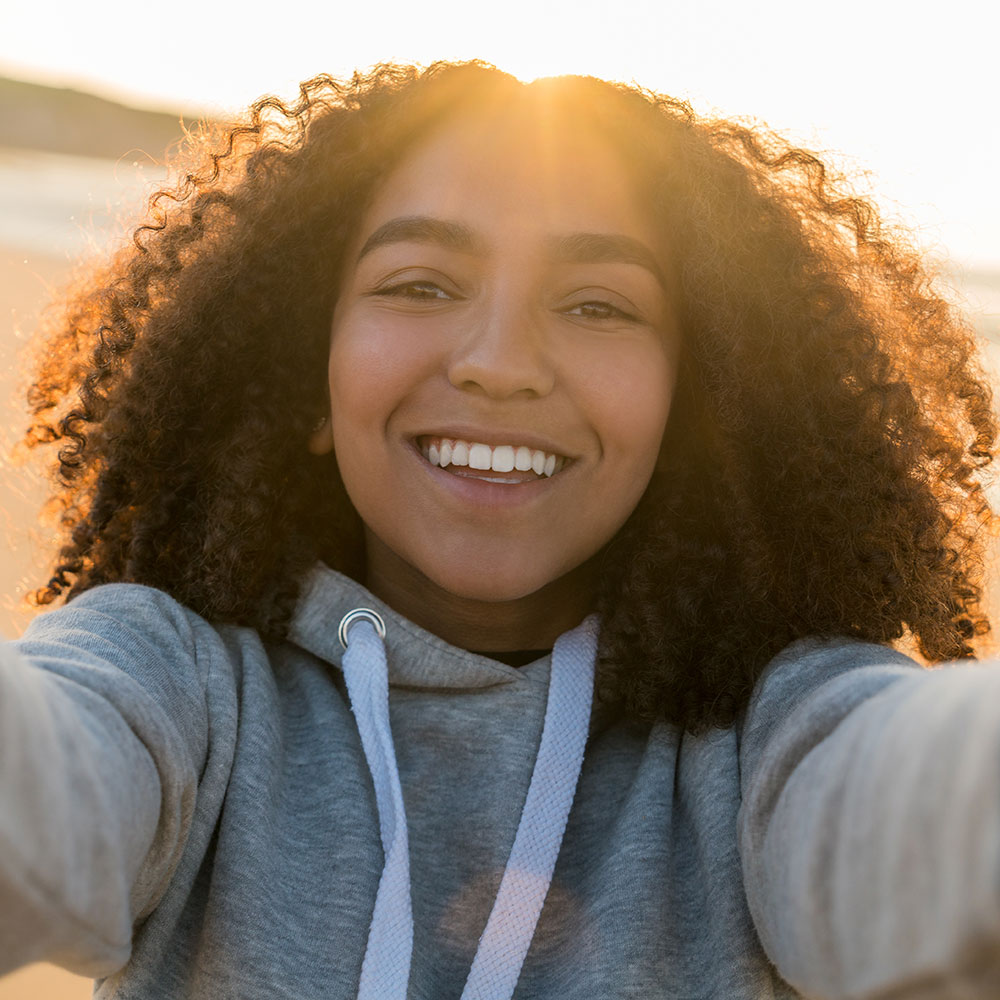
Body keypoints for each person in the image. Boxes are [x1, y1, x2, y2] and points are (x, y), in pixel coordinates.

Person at [2, 59, 999, 999]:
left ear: (691, 411)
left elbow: (935, 806)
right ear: (306, 378)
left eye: (597, 304)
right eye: (421, 284)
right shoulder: (172, 686)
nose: (500, 362)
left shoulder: (774, 741)